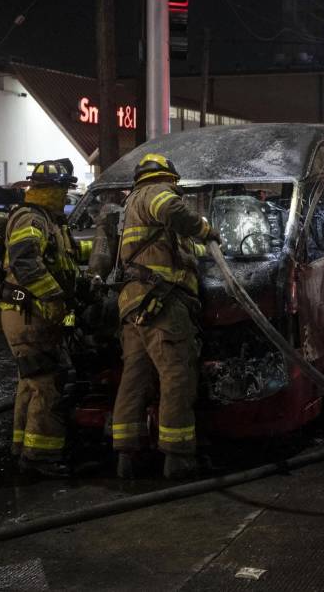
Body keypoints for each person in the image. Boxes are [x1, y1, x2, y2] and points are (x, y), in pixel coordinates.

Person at [112, 153, 220, 480]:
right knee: (177, 375)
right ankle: (178, 458)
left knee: (136, 376)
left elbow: (182, 250)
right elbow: (174, 211)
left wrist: (206, 247)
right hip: (162, 303)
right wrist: (205, 228)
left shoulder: (134, 204)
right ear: (169, 178)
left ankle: (127, 457)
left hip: (134, 303)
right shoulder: (157, 193)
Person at [0, 158, 90, 477]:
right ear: (48, 190)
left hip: (33, 315)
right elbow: (26, 264)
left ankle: (22, 449)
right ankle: (40, 459)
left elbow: (66, 259)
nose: (65, 197)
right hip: (29, 314)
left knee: (32, 383)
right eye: (62, 190)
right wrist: (53, 296)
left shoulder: (49, 222)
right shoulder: (31, 219)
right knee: (49, 383)